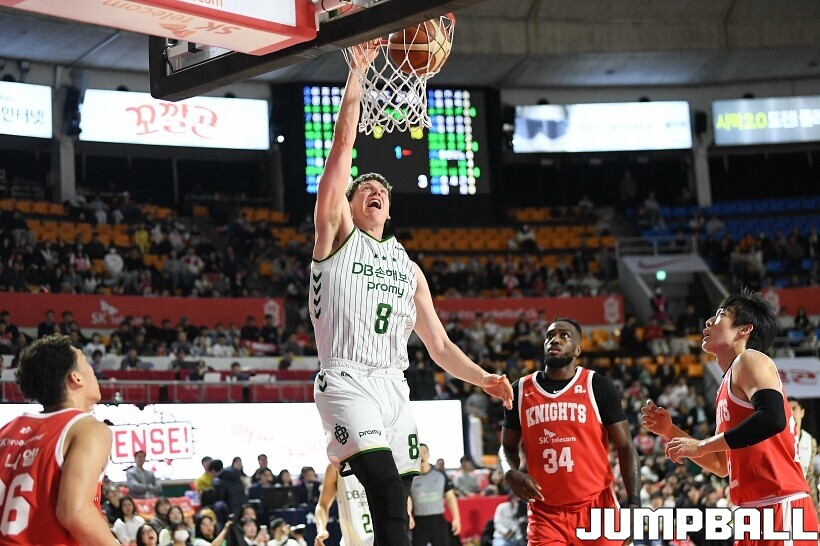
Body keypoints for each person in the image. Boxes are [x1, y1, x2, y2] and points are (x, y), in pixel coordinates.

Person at [309, 41, 513, 546]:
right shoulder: (336, 235)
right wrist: (357, 75)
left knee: (398, 502)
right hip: (346, 378)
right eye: (365, 189)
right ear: (347, 204)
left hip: (393, 387)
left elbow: (439, 346)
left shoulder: (409, 268)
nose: (375, 191)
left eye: (382, 191)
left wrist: (483, 378)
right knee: (382, 485)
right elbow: (341, 151)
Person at [641, 290, 820, 543]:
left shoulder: (750, 359)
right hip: (752, 513)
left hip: (781, 505)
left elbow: (772, 417)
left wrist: (701, 445)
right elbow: (722, 465)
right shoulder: (725, 386)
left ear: (744, 329)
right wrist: (671, 431)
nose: (709, 321)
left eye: (721, 315)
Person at [500, 317, 641, 546]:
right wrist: (508, 471)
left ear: (577, 350)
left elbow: (625, 446)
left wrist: (634, 503)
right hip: (546, 513)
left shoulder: (598, 386)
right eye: (550, 336)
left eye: (564, 335)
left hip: (597, 507)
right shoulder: (521, 390)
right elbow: (507, 446)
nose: (554, 340)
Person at [0, 334, 116, 546]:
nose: (93, 370)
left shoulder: (6, 431)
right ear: (76, 378)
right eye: (86, 363)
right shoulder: (87, 429)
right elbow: (74, 512)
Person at [408, 443, 461, 546]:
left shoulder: (440, 475)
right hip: (419, 522)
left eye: (424, 452)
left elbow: (450, 497)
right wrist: (409, 514)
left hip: (438, 520)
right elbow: (408, 498)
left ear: (429, 455)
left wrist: (456, 518)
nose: (421, 455)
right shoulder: (411, 478)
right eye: (418, 453)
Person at [315, 463, 374, 546]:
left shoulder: (384, 462)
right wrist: (321, 529)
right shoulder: (335, 466)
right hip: (352, 542)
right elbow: (322, 505)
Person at [789, 398, 820, 520]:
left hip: (802, 498)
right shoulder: (779, 440)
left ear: (802, 412)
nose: (791, 412)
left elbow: (810, 477)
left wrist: (815, 506)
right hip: (785, 498)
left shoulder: (810, 441)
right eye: (788, 409)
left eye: (794, 408)